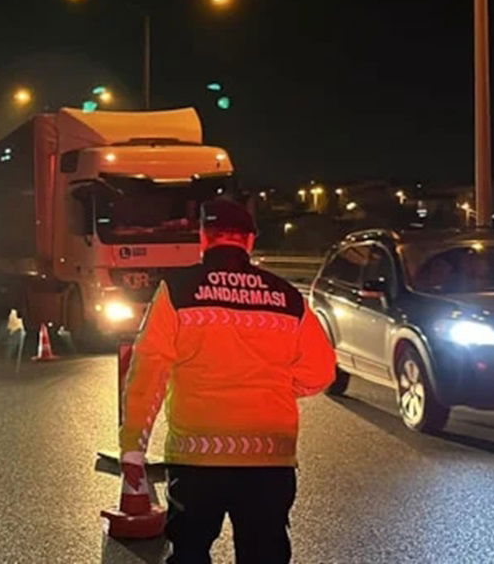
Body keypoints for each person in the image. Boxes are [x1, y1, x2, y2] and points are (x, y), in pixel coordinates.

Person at [118, 198, 336, 563]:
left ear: (204, 238)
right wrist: (279, 388)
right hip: (270, 458)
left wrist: (133, 447)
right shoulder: (287, 296)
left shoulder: (178, 289)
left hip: (198, 458)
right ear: (250, 241)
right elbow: (322, 371)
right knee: (264, 552)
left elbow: (148, 371)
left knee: (190, 551)